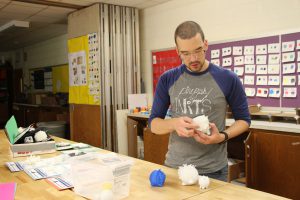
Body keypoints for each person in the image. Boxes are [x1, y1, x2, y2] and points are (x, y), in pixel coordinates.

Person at [149, 21, 251, 182]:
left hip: (214, 171)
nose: (193, 58)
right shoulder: (167, 79)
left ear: (205, 44)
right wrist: (174, 123)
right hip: (176, 168)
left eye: (198, 50)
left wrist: (222, 136)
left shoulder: (228, 78)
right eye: (186, 53)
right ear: (178, 51)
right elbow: (154, 124)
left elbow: (244, 120)